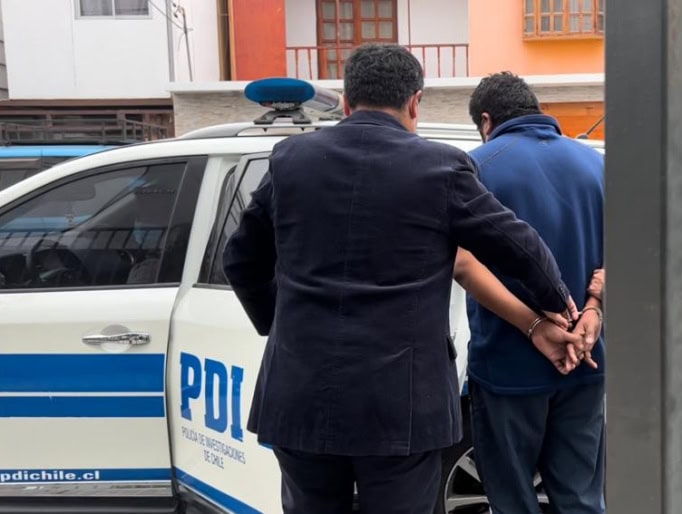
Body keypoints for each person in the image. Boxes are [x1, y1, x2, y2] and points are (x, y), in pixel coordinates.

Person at [222, 45, 579, 514]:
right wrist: (559, 305)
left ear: (346, 102)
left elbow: (240, 259)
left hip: (300, 393)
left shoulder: (291, 159)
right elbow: (520, 248)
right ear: (415, 102)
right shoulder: (440, 168)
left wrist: (277, 323)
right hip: (402, 406)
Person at [456, 72, 606, 514]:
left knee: (512, 500)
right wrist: (594, 309)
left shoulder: (475, 167)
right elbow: (629, 247)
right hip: (586, 359)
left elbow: (462, 263)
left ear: (486, 121)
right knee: (581, 499)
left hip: (508, 366)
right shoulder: (596, 164)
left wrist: (536, 325)